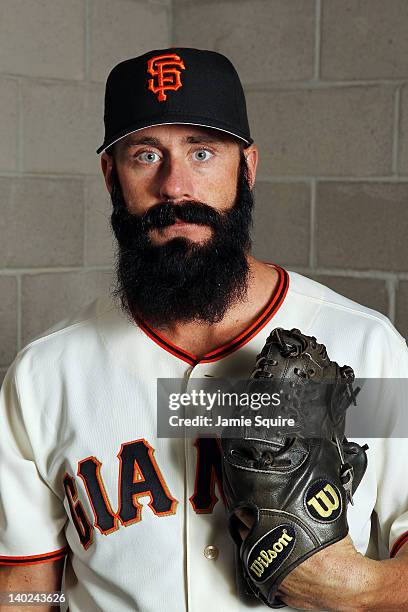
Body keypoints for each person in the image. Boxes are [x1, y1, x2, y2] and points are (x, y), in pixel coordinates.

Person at [1, 47, 408, 612]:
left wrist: (352, 587)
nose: (176, 186)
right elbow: (26, 591)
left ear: (248, 167)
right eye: (146, 155)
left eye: (202, 152)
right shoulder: (46, 374)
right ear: (110, 177)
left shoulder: (366, 350)